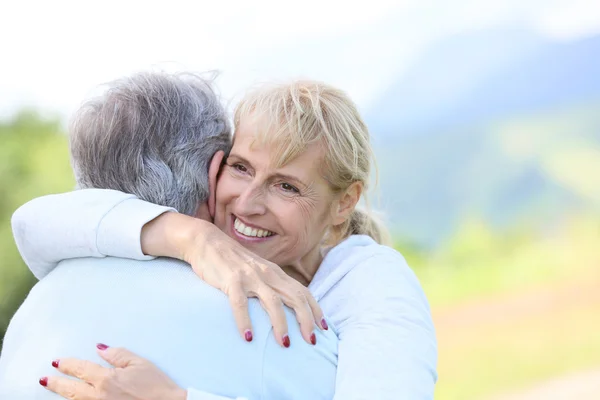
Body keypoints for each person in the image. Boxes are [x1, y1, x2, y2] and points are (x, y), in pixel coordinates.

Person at [11, 79, 438, 399]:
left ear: (344, 203)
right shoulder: (201, 248)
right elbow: (36, 223)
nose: (248, 203)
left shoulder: (373, 282)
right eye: (241, 168)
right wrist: (186, 235)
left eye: (286, 186)